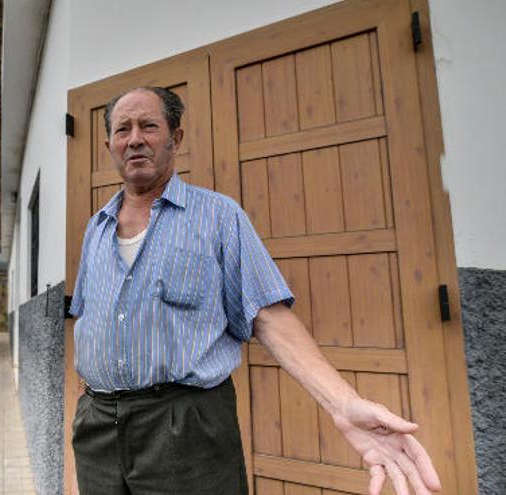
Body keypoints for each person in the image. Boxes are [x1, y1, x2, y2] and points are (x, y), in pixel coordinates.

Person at [69, 87, 442, 495]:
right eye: (123, 129)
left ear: (176, 139)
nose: (135, 138)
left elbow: (268, 316)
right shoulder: (96, 228)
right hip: (98, 425)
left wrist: (342, 403)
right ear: (109, 145)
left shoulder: (218, 216)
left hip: (185, 426)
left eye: (149, 126)